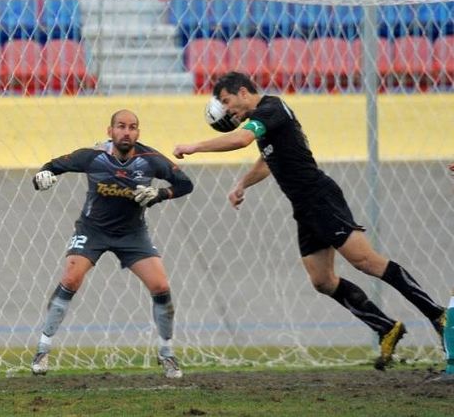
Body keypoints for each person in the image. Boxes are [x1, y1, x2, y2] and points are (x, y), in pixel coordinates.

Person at [173, 72, 445, 370]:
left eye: (227, 102)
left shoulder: (271, 109)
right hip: (304, 206)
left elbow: (241, 139)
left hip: (319, 197)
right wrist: (242, 184)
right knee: (322, 280)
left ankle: (437, 315)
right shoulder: (265, 121)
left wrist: (194, 146)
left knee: (366, 261)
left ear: (242, 92)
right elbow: (267, 161)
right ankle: (386, 327)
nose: (227, 110)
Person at [30, 109, 193, 378]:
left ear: (138, 133)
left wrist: (160, 194)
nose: (126, 132)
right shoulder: (93, 157)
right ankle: (43, 348)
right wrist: (42, 178)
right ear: (110, 131)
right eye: (121, 126)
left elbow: (185, 184)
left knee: (161, 286)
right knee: (71, 278)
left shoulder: (150, 160)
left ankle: (167, 353)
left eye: (132, 127)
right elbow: (51, 168)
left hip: (133, 233)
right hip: (93, 230)